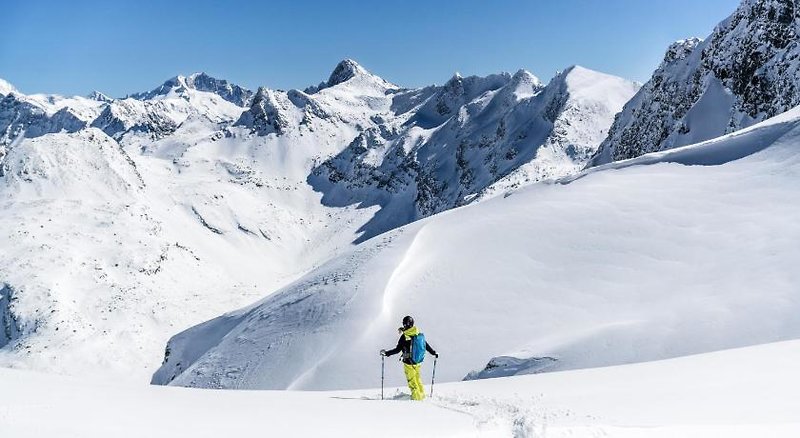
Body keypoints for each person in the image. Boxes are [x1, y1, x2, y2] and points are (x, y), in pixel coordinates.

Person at [380, 315, 438, 400]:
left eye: (404, 324)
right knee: (418, 379)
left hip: (408, 363)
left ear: (406, 324)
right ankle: (422, 395)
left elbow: (397, 350)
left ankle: (417, 399)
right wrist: (433, 352)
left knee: (412, 381)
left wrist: (386, 353)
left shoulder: (404, 337)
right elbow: (426, 345)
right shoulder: (417, 333)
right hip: (418, 362)